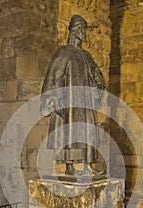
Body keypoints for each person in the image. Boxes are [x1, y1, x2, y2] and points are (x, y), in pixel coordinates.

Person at [40, 15, 104, 176]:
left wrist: (97, 87)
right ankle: (70, 168)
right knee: (69, 132)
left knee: (87, 131)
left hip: (85, 102)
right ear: (74, 31)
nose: (84, 33)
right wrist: (55, 99)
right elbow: (54, 77)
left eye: (84, 29)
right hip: (69, 101)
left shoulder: (86, 56)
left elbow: (97, 75)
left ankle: (87, 166)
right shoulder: (64, 53)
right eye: (81, 30)